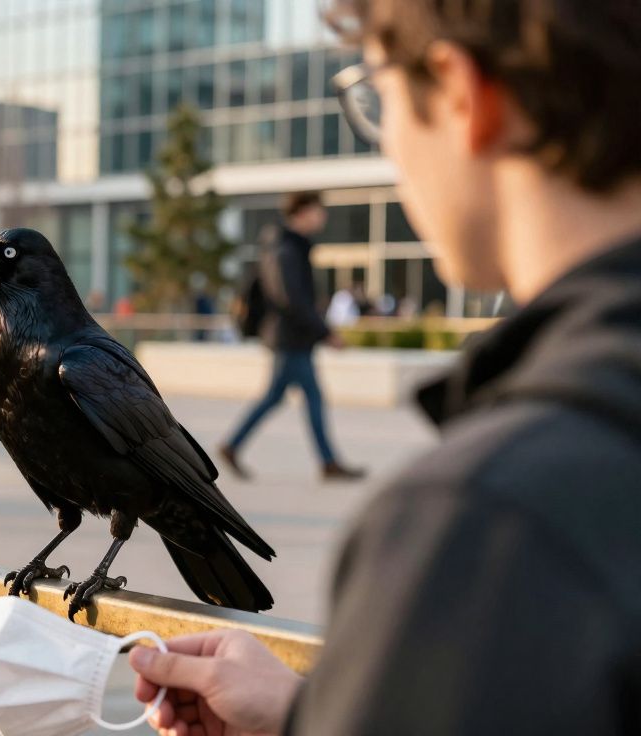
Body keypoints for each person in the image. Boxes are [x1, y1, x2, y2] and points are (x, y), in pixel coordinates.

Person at [130, 2, 641, 734]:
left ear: (462, 94)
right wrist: (315, 714)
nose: (387, 144)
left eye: (379, 98)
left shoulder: (488, 526)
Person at [219, 191, 364, 481]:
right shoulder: (285, 249)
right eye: (318, 211)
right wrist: (325, 333)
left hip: (291, 337)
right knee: (309, 397)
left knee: (278, 397)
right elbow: (292, 299)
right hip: (290, 338)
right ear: (303, 212)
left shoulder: (288, 246)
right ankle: (328, 462)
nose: (323, 217)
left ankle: (233, 446)